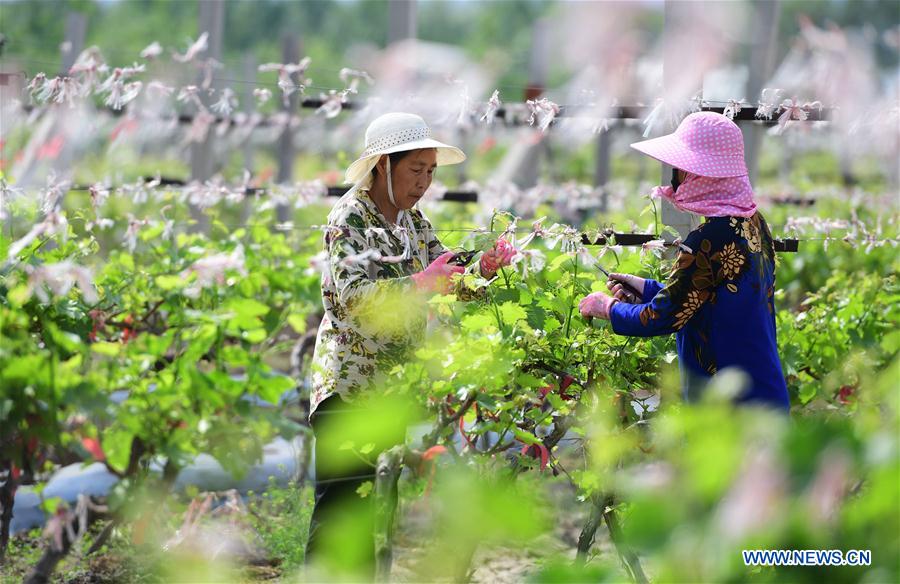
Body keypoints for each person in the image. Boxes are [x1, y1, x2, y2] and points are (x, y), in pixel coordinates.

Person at [305, 112, 515, 576]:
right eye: (415, 170)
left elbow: (445, 276)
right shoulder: (350, 216)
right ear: (383, 166)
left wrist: (481, 270)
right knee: (342, 513)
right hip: (349, 388)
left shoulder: (412, 222)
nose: (424, 182)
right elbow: (355, 297)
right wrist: (422, 282)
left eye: (430, 172)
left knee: (378, 510)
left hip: (390, 390)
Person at [579, 111, 790, 412]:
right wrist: (648, 288)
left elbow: (662, 318)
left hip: (728, 411)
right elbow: (708, 298)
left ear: (697, 174)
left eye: (679, 168)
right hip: (765, 394)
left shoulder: (707, 239)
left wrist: (607, 308)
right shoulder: (753, 222)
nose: (674, 176)